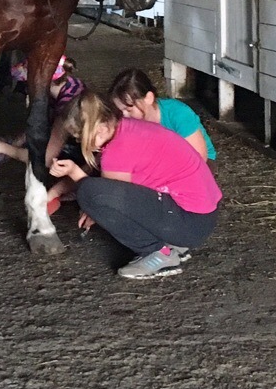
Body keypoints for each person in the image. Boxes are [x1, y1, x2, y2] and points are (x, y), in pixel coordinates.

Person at [50, 91, 222, 280]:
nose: (79, 142)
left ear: (98, 129)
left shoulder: (116, 152)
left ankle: (158, 253)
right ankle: (173, 243)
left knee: (89, 192)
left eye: (79, 136)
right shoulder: (130, 127)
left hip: (190, 224)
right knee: (95, 192)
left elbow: (107, 198)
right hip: (203, 214)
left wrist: (75, 173)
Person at [109, 67, 216, 162]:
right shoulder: (130, 119)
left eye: (128, 109)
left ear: (149, 98)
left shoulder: (178, 113)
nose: (124, 115)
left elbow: (200, 156)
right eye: (121, 110)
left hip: (197, 162)